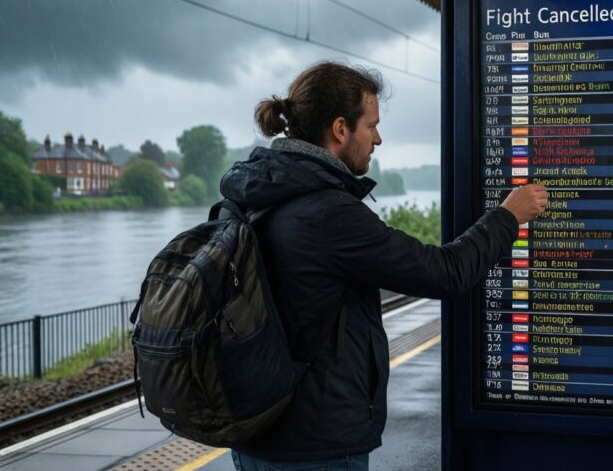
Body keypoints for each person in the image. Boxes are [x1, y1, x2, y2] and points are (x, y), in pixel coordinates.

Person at [222, 62, 548, 470]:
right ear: (340, 129)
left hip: (256, 436)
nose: (378, 138)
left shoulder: (251, 195)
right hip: (315, 447)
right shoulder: (329, 213)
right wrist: (507, 216)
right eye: (370, 125)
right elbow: (445, 272)